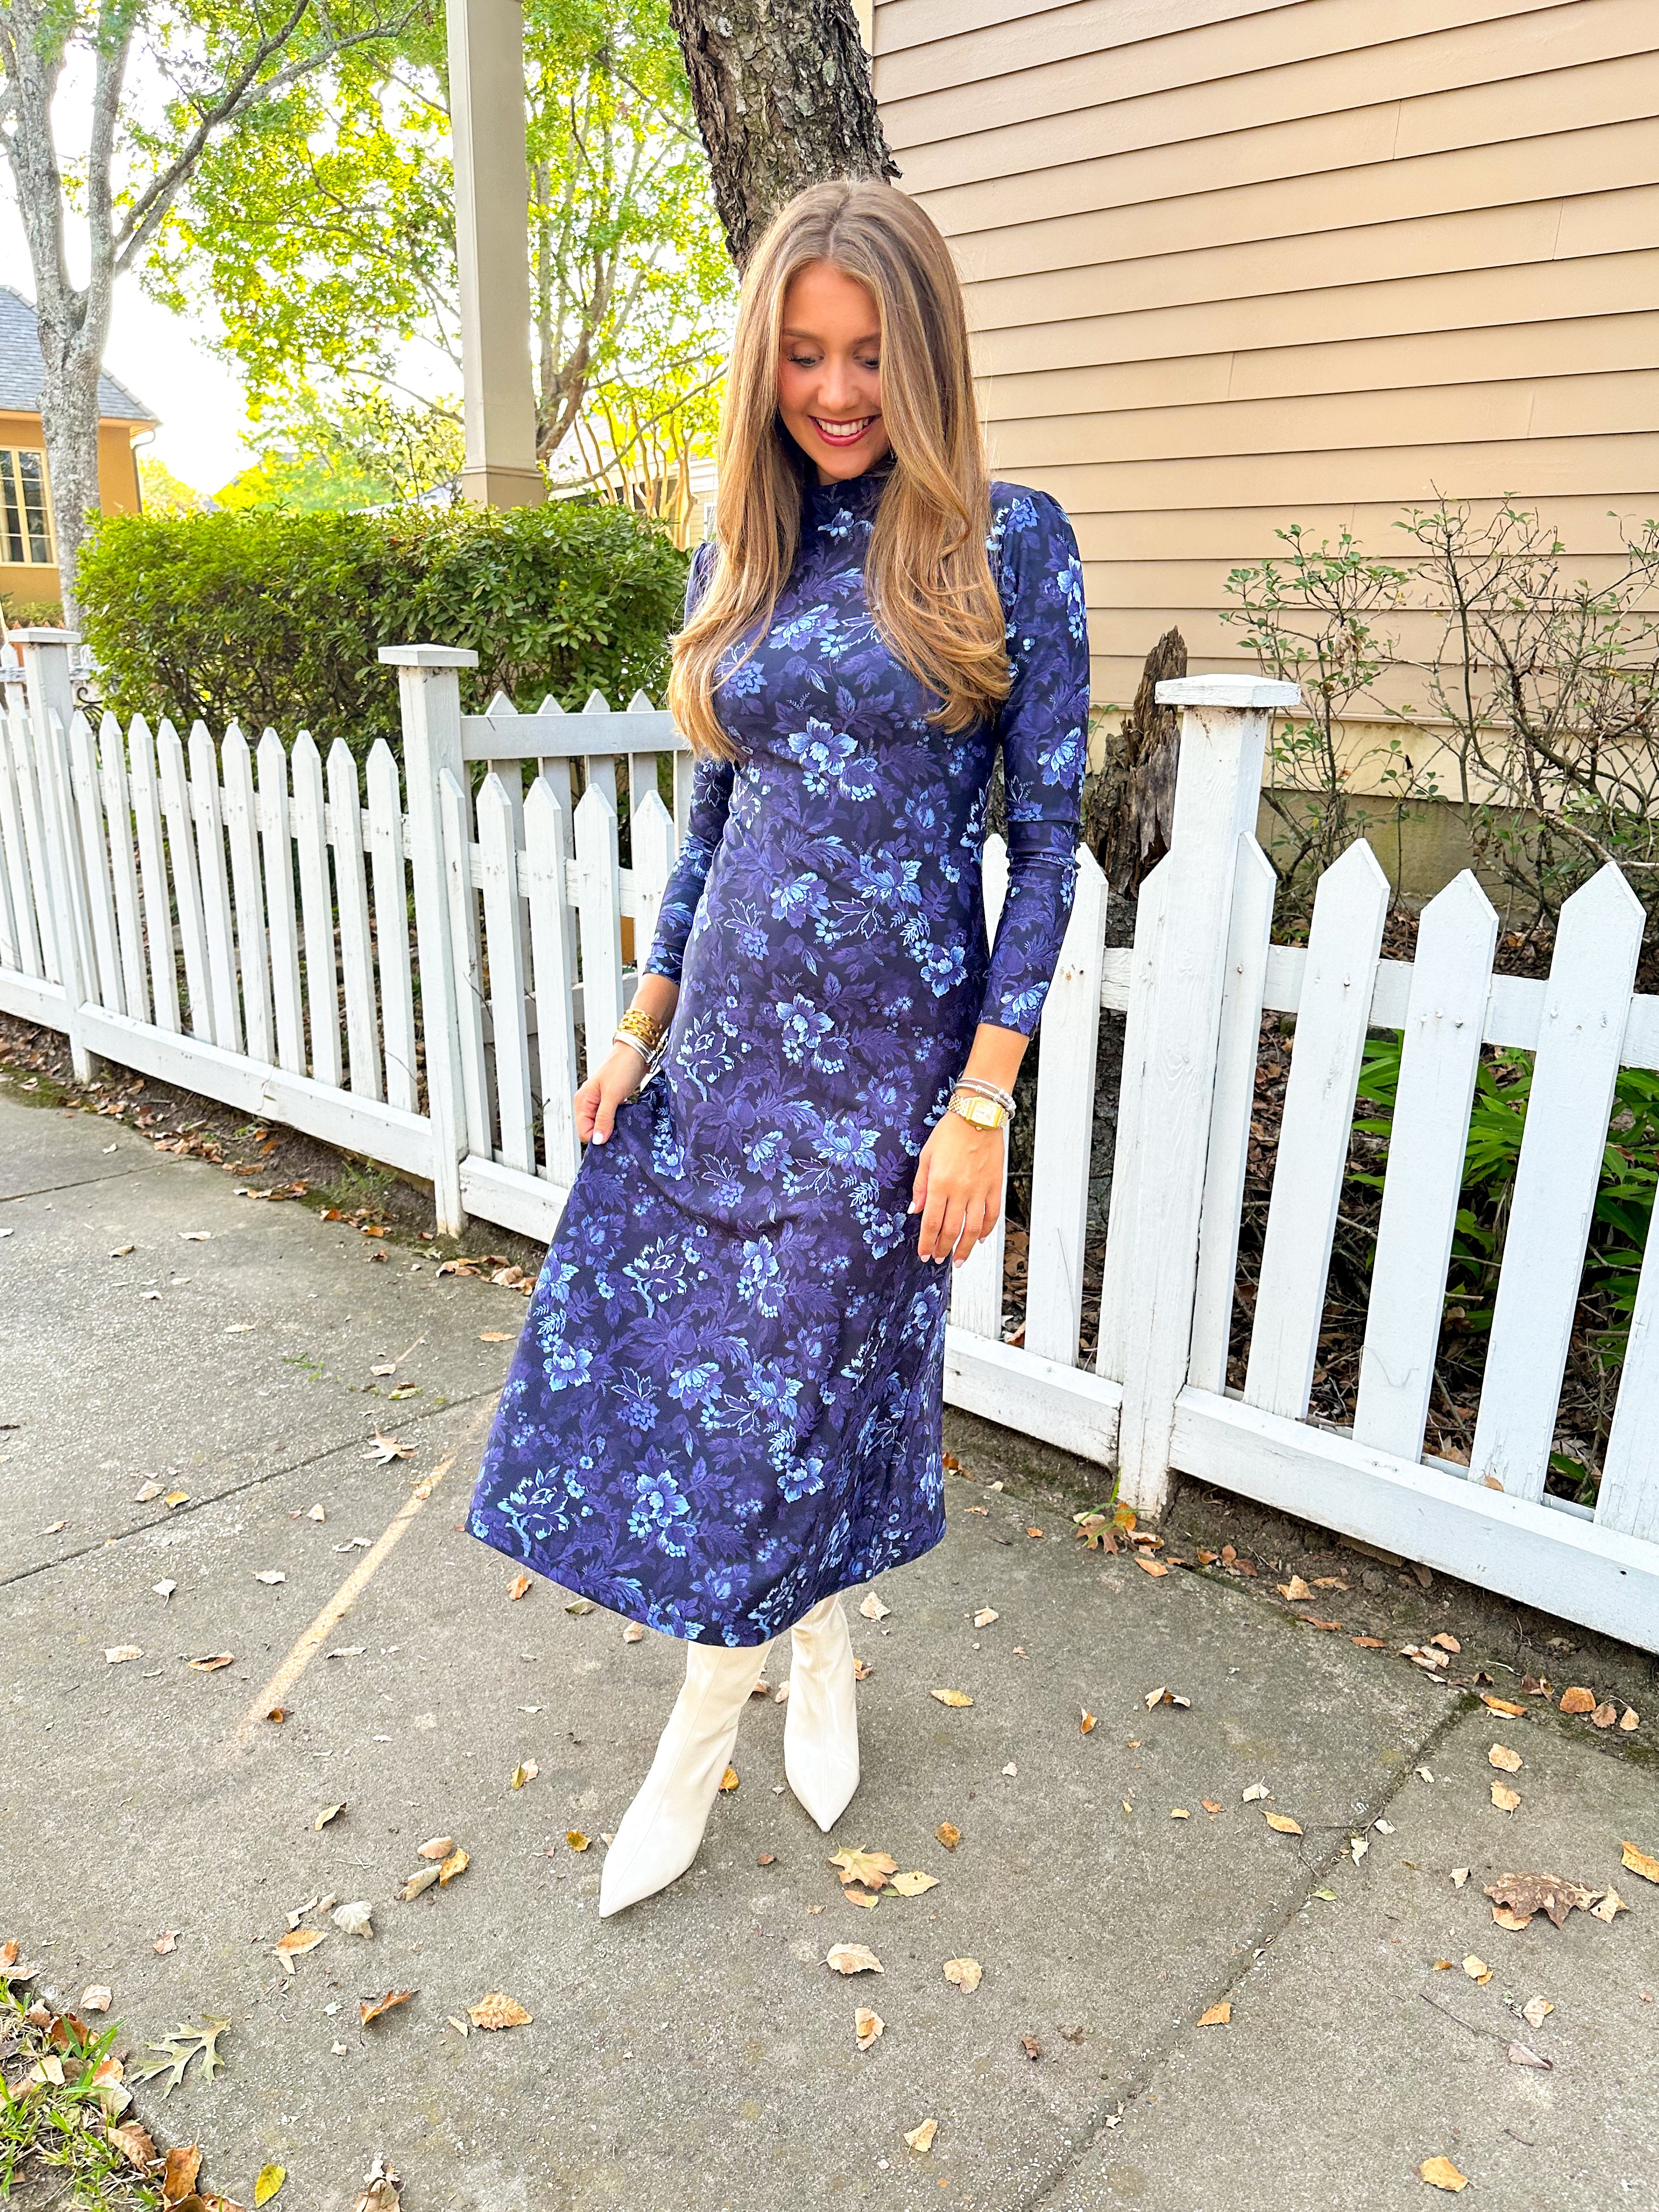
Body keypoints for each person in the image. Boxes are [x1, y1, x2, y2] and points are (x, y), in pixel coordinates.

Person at [466, 177, 1089, 1917]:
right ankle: (820, 1644)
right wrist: (638, 1024)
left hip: (887, 1084)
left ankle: (693, 1742)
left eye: (870, 356)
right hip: (725, 1066)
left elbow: (1046, 853)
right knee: (719, 1391)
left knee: (774, 1411)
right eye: (803, 356)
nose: (834, 392)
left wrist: (983, 1103)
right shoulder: (738, 551)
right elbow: (710, 827)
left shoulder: (1008, 546)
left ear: (927, 358)